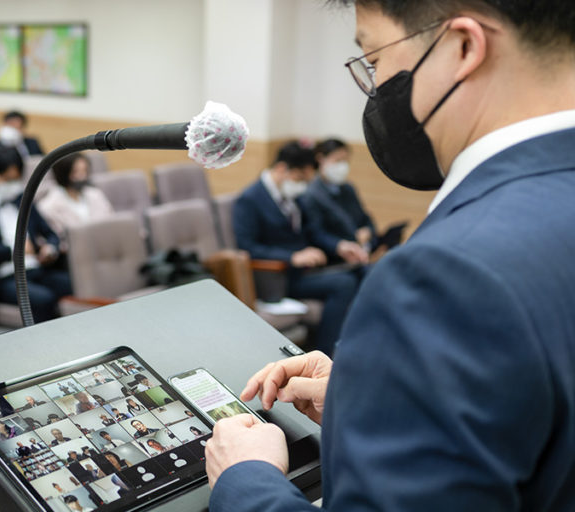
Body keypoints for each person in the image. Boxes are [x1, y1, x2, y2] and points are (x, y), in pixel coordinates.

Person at [207, 2, 575, 511]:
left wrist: (245, 477)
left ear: (463, 47)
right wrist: (375, 395)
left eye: (375, 61)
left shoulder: (446, 276)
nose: (375, 87)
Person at [233, 141, 366, 355]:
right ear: (281, 169)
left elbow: (313, 232)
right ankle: (325, 355)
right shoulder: (249, 200)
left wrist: (340, 246)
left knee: (363, 271)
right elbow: (247, 247)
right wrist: (292, 257)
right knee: (343, 284)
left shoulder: (295, 197)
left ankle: (354, 347)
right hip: (277, 278)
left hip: (303, 271)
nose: (303, 185)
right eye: (300, 178)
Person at [0, 144, 72, 323]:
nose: (14, 185)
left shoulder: (21, 197)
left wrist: (50, 248)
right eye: (9, 179)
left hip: (37, 268)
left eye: (17, 179)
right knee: (43, 299)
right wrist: (15, 249)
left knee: (73, 284)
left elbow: (50, 233)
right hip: (5, 276)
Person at [301, 138, 377, 252]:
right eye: (337, 160)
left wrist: (368, 232)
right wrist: (340, 246)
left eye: (345, 161)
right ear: (321, 159)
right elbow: (315, 234)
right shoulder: (311, 194)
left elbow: (365, 218)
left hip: (361, 251)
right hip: (334, 257)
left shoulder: (348, 188)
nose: (342, 166)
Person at [37, 153, 114, 248]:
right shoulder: (48, 206)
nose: (83, 176)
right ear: (63, 173)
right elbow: (57, 241)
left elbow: (111, 222)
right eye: (76, 172)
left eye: (85, 171)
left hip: (106, 246)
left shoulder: (95, 194)